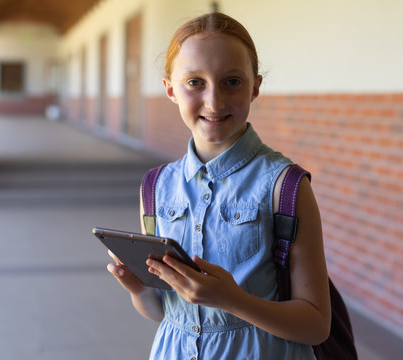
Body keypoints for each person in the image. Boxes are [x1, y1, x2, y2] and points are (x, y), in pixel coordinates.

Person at [107, 12, 331, 359]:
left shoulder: (284, 186)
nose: (214, 101)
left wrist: (232, 300)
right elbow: (161, 311)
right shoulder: (156, 187)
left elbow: (316, 324)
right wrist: (138, 289)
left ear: (255, 86)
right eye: (195, 82)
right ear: (170, 89)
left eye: (232, 81)